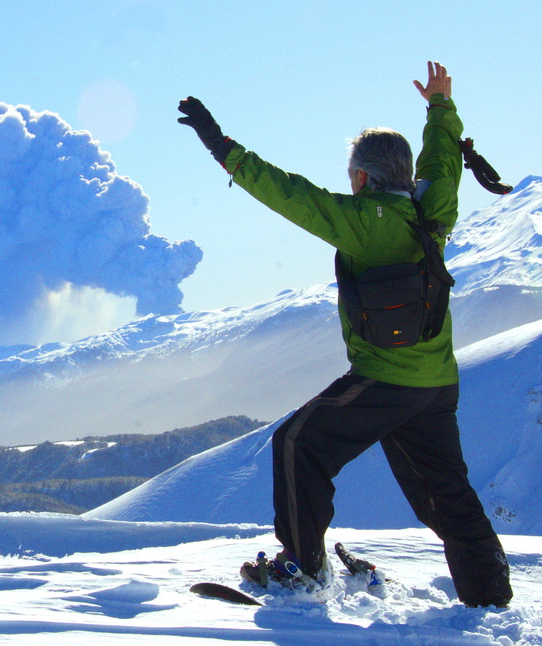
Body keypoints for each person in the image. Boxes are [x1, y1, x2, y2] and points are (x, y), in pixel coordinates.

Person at [178, 62, 512, 608]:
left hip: (387, 377)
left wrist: (220, 144)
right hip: (437, 381)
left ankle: (301, 569)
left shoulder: (360, 218)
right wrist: (440, 108)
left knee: (298, 443)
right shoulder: (435, 207)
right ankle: (490, 592)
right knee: (444, 493)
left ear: (361, 177)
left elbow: (286, 192)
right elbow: (444, 160)